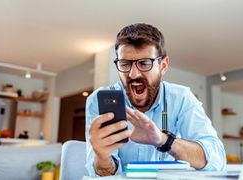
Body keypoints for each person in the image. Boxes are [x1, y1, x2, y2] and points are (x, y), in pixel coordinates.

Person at [85, 23, 226, 177]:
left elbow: (217, 161)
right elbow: (100, 173)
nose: (133, 74)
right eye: (125, 64)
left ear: (163, 65)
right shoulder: (97, 101)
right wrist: (102, 158)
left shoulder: (181, 98)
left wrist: (163, 140)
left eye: (144, 63)